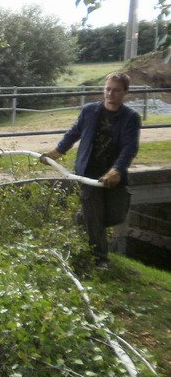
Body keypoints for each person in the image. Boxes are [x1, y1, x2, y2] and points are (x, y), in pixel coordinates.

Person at [40, 72, 141, 265]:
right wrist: (56, 152)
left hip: (114, 175)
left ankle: (82, 219)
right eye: (108, 89)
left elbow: (130, 147)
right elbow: (73, 134)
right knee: (95, 219)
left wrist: (117, 170)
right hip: (87, 173)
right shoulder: (89, 111)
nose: (110, 94)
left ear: (125, 92)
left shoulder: (131, 118)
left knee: (116, 215)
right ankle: (100, 259)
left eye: (116, 90)